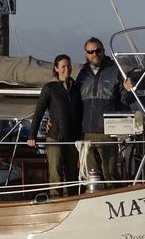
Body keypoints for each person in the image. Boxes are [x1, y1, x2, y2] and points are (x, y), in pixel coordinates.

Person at [76, 37, 134, 182]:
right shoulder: (82, 74)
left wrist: (128, 91)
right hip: (87, 132)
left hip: (107, 132)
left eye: (98, 50)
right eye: (91, 51)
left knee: (110, 173)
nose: (94, 54)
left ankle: (115, 200)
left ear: (103, 51)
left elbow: (126, 101)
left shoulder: (115, 71)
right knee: (92, 175)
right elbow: (73, 103)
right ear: (86, 54)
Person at [27, 54, 82, 197]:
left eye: (68, 66)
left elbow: (82, 111)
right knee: (56, 174)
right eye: (63, 66)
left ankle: (71, 201)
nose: (66, 69)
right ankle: (56, 200)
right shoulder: (49, 88)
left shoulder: (77, 87)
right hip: (55, 137)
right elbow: (38, 112)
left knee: (72, 174)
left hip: (73, 138)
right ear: (56, 69)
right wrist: (32, 135)